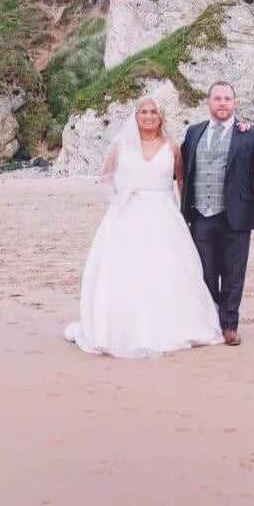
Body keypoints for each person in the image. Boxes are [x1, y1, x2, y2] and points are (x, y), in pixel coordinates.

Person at [64, 97, 224, 359]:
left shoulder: (171, 146)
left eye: (153, 112)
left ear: (161, 117)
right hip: (126, 215)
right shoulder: (122, 145)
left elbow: (181, 180)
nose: (148, 116)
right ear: (135, 116)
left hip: (164, 215)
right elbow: (105, 177)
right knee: (126, 270)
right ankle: (123, 328)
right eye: (143, 112)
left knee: (166, 267)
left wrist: (185, 212)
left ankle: (172, 325)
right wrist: (121, 196)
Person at [181, 81, 254, 345]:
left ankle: (229, 325)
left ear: (234, 103)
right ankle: (209, 321)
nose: (222, 103)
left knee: (232, 273)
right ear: (208, 102)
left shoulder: (252, 134)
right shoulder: (194, 132)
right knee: (204, 272)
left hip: (236, 215)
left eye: (227, 98)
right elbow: (179, 169)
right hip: (200, 215)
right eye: (217, 98)